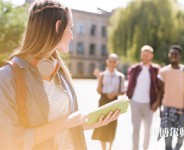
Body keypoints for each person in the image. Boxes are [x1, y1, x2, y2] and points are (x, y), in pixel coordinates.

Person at [0, 1, 121, 149]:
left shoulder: (60, 71)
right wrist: (64, 122)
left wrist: (84, 123)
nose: (72, 36)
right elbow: (9, 140)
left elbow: (62, 128)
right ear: (58, 26)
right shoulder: (7, 77)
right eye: (71, 28)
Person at [154, 45, 184, 150]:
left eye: (176, 54)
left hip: (182, 110)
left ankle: (177, 148)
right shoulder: (163, 71)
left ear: (180, 56)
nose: (173, 56)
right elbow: (161, 91)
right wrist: (159, 107)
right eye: (171, 54)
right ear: (168, 55)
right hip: (167, 109)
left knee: (181, 137)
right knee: (168, 138)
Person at [126, 45, 160, 150]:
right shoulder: (134, 69)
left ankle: (145, 148)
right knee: (135, 129)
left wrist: (157, 103)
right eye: (143, 54)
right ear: (141, 55)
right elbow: (129, 84)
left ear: (151, 56)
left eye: (147, 55)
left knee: (147, 130)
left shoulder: (156, 69)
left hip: (149, 104)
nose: (145, 56)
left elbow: (160, 88)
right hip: (135, 103)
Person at [92, 53, 126, 150]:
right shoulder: (102, 75)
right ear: (107, 62)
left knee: (112, 124)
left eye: (114, 61)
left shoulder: (121, 76)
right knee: (102, 123)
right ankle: (103, 148)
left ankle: (110, 148)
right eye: (110, 61)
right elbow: (98, 90)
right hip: (103, 100)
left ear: (117, 63)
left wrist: (115, 94)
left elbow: (122, 91)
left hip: (114, 101)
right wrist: (99, 79)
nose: (112, 63)